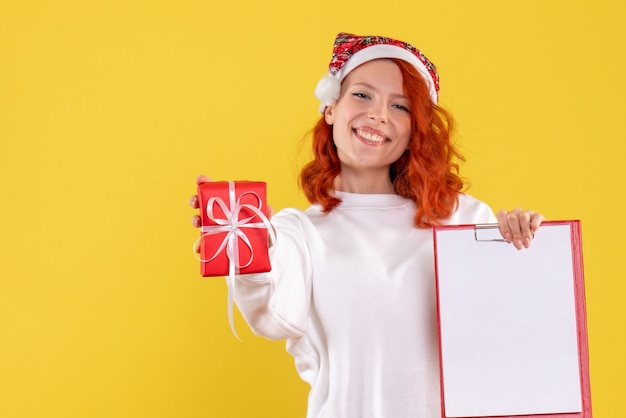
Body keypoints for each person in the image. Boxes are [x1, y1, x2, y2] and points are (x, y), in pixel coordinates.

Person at [190, 32, 544, 418]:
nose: (379, 114)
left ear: (414, 132)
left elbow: (509, 334)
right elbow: (275, 315)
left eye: (401, 106)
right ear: (330, 107)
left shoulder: (461, 219)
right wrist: (245, 243)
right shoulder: (298, 233)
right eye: (362, 95)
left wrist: (520, 245)